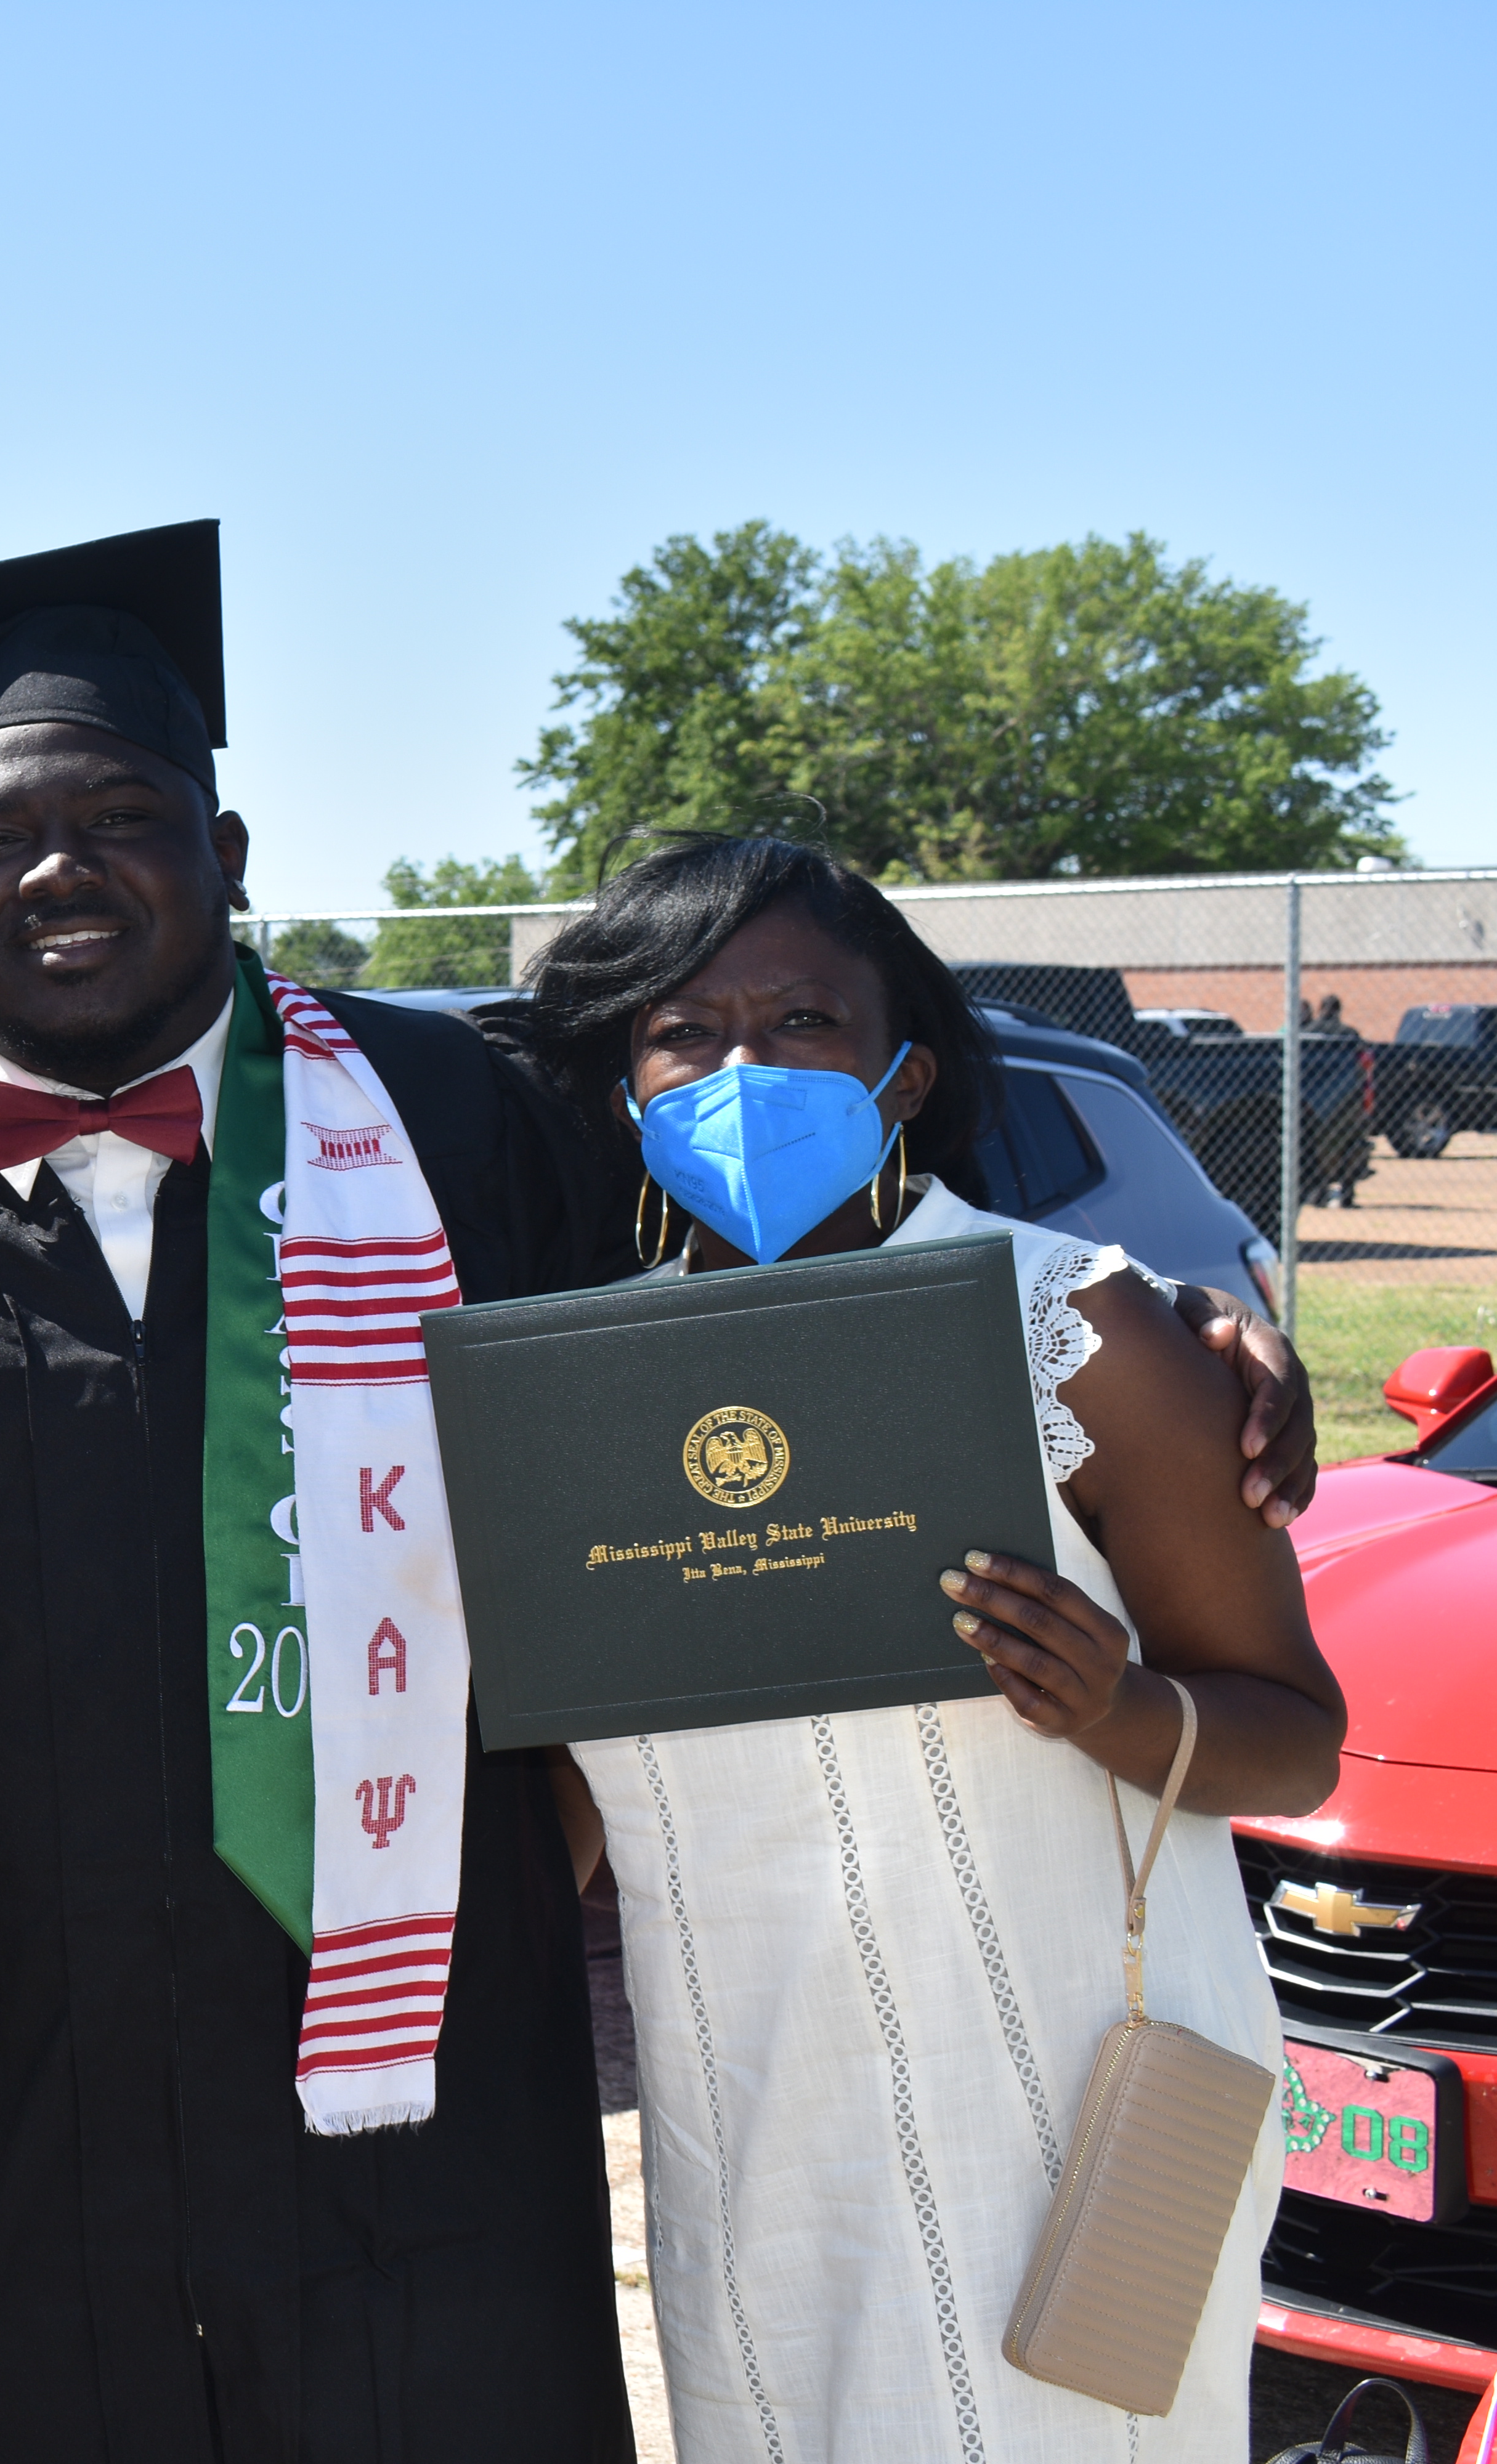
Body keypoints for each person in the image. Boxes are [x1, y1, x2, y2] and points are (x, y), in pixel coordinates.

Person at [0, 523, 1329, 2464]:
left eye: (126, 814)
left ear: (230, 854)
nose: (62, 872)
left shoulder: (456, 1116)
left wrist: (1182, 1325)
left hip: (399, 2087)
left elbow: (788, 1261)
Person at [518, 833, 1341, 2460]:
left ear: (903, 1075)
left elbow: (1296, 1735)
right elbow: (575, 1820)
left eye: (803, 1023)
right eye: (685, 1032)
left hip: (1066, 2142)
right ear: (621, 1081)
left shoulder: (1080, 1330)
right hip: (757, 2159)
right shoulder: (565, 1403)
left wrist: (1119, 1709)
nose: (741, 1071)